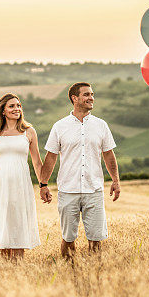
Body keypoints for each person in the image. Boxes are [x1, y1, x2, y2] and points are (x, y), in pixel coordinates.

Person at [40, 82, 120, 259]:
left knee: (96, 238)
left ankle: (93, 273)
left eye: (92, 94)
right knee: (68, 238)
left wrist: (115, 181)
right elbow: (51, 157)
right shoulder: (59, 126)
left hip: (94, 189)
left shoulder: (101, 125)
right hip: (68, 190)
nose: (91, 98)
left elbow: (108, 155)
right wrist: (43, 184)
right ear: (74, 98)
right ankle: (69, 272)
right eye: (86, 95)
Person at [0, 93, 45, 259]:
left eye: (18, 105)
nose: (16, 109)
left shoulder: (29, 132)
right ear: (3, 110)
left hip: (20, 184)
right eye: (11, 106)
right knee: (3, 222)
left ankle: (18, 266)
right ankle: (5, 269)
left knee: (18, 222)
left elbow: (37, 163)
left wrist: (43, 185)